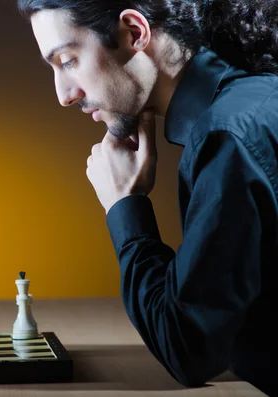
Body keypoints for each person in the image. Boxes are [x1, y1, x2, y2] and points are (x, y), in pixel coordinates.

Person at [15, 0, 278, 395]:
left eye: (68, 60)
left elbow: (190, 351)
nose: (64, 95)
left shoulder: (228, 139)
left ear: (134, 33)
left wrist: (125, 206)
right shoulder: (253, 98)